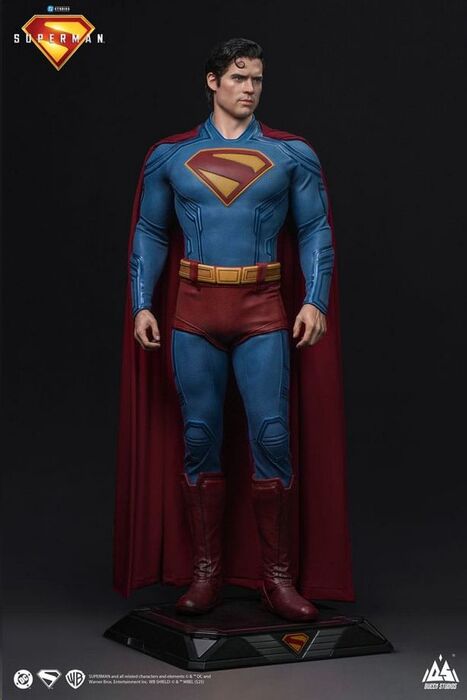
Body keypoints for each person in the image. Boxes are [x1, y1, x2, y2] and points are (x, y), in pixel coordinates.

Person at [117, 37, 352, 622]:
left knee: (272, 437)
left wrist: (316, 299)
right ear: (212, 81)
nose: (250, 88)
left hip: (262, 309)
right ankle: (206, 575)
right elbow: (150, 231)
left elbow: (315, 229)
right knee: (199, 437)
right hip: (193, 310)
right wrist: (141, 304)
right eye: (239, 77)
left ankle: (278, 579)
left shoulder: (291, 154)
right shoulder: (170, 156)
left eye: (257, 79)